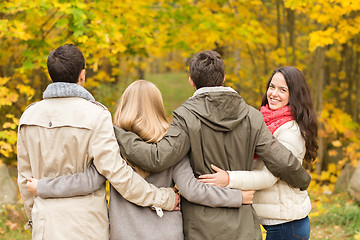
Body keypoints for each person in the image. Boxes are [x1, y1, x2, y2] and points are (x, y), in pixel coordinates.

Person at [113, 51, 312, 240]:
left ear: (191, 81)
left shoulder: (185, 117)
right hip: (242, 224)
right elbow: (281, 160)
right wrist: (303, 180)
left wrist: (115, 132)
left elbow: (157, 158)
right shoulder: (252, 115)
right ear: (223, 77)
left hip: (202, 227)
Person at [26, 80, 254, 240]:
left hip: (124, 234)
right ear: (158, 105)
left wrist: (43, 186)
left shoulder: (111, 142)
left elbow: (89, 181)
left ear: (124, 104)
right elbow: (192, 189)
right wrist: (237, 196)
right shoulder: (173, 143)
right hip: (167, 233)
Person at [17, 44, 179, 240]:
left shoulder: (29, 116)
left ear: (51, 75)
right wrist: (163, 198)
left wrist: (35, 217)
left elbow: (25, 180)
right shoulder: (96, 115)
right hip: (86, 227)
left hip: (45, 225)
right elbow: (118, 174)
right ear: (82, 75)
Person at [199, 66, 318, 240]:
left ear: (295, 95)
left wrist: (228, 179)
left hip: (287, 225)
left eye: (283, 90)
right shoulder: (263, 120)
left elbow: (269, 177)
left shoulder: (290, 131)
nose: (274, 94)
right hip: (277, 222)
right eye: (272, 87)